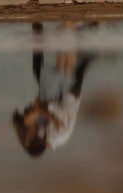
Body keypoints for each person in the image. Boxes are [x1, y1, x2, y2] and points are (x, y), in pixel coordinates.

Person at [12, 23, 95, 156]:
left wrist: (41, 111)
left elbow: (32, 118)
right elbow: (58, 120)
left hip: (63, 97)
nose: (33, 135)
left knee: (65, 64)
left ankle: (68, 30)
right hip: (68, 98)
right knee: (64, 64)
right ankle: (68, 28)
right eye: (31, 138)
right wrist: (44, 110)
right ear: (36, 142)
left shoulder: (45, 135)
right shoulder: (57, 138)